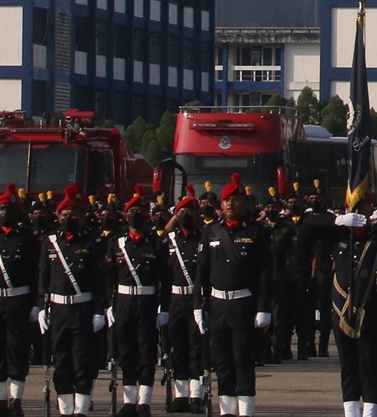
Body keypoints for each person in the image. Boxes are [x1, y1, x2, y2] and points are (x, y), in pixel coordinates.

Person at [197, 174, 273, 417]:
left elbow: (264, 272)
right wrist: (198, 305)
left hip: (243, 304)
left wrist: (263, 307)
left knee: (243, 359)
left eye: (235, 200)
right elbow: (202, 271)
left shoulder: (257, 232)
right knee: (222, 362)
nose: (231, 204)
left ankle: (245, 412)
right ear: (220, 205)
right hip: (218, 304)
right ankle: (227, 411)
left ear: (245, 203)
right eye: (226, 200)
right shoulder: (211, 232)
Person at [324, 199, 377, 417]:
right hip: (341, 310)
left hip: (370, 309)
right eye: (353, 206)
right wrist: (337, 220)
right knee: (347, 365)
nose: (358, 211)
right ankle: (351, 412)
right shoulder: (338, 235)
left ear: (369, 210)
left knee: (368, 365)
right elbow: (306, 227)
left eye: (362, 206)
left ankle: (369, 412)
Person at [40, 183, 109, 417]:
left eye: (74, 214)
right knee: (60, 360)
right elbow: (43, 276)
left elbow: (100, 280)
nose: (69, 218)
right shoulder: (50, 242)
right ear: (58, 216)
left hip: (83, 308)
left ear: (82, 216)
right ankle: (65, 408)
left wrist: (99, 310)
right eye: (65, 214)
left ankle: (80, 409)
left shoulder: (93, 242)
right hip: (58, 309)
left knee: (82, 360)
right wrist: (42, 307)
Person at [0, 184, 40, 417]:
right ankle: (0, 400)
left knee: (17, 350)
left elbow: (36, 272)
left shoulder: (28, 238)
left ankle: (16, 400)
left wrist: (35, 303)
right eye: (2, 209)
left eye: (9, 209)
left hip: (18, 300)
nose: (5, 212)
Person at [107, 188, 167, 417]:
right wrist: (108, 305)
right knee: (126, 350)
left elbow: (165, 278)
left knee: (146, 350)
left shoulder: (157, 243)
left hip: (147, 301)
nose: (136, 215)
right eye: (132, 211)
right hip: (123, 301)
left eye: (140, 211)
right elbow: (109, 277)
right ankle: (129, 401)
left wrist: (164, 307)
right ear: (125, 215)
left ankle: (144, 402)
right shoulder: (116, 243)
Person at [161, 190, 208, 414]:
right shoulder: (170, 239)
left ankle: (196, 396)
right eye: (182, 212)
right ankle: (180, 395)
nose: (186, 215)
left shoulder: (204, 237)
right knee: (177, 346)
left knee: (196, 347)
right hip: (175, 299)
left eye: (190, 211)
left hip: (195, 298)